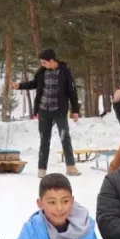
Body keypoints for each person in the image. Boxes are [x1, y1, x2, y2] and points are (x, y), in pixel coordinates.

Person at [13, 49, 82, 178]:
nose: (42, 64)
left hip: (59, 110)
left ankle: (71, 167)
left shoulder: (64, 72)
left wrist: (75, 110)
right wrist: (19, 86)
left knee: (65, 137)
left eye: (44, 62)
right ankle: (42, 169)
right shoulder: (41, 72)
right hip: (44, 111)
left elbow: (72, 91)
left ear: (52, 60)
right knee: (44, 139)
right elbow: (34, 84)